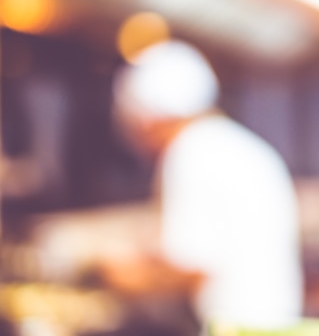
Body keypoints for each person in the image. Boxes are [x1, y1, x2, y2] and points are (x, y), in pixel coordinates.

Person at [112, 40, 303, 330]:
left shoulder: (189, 151)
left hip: (236, 328)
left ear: (150, 119)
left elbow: (190, 267)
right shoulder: (236, 142)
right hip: (279, 324)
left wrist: (122, 277)